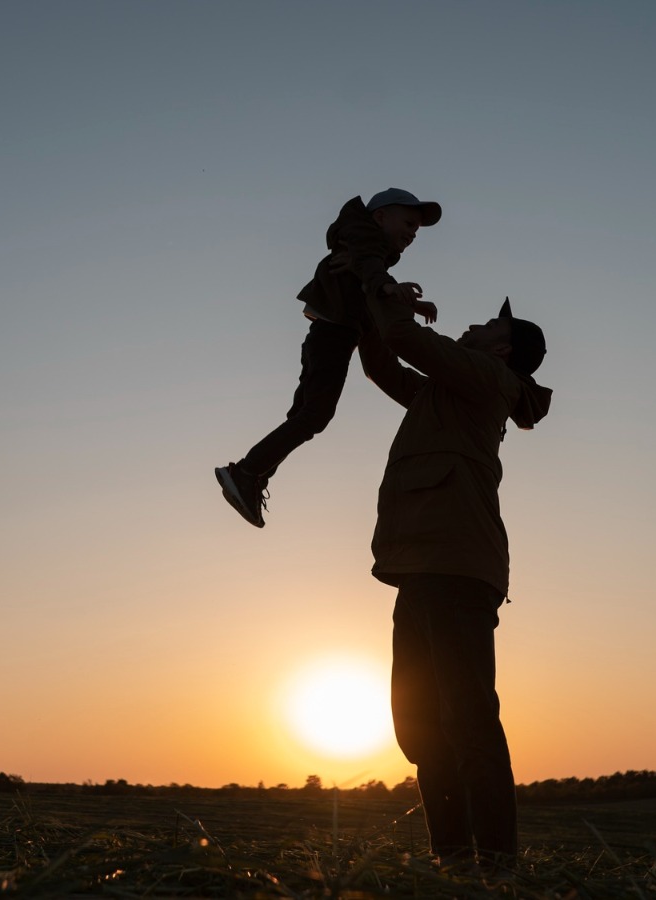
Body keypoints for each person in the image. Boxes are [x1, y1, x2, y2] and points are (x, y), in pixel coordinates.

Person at [357, 294, 552, 867]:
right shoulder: (449, 391)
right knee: (420, 726)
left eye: (489, 322)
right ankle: (455, 858)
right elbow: (383, 364)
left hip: (456, 566)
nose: (473, 321)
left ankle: (493, 859)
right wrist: (360, 315)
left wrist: (379, 289)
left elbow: (407, 342)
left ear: (501, 347)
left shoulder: (486, 375)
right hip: (425, 566)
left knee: (466, 717)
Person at [215, 187, 441, 528]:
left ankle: (254, 475)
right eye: (408, 222)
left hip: (327, 334)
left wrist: (403, 299)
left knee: (304, 413)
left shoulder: (366, 248)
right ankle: (246, 471)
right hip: (334, 334)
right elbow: (370, 265)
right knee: (317, 414)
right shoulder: (366, 238)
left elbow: (369, 271)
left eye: (416, 230)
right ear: (380, 217)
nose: (412, 233)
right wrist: (390, 288)